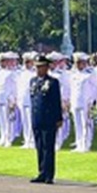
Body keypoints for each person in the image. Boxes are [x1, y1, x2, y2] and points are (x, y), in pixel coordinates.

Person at [28, 55, 63, 184]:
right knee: (39, 146)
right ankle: (41, 172)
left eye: (41, 67)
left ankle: (49, 174)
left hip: (49, 118)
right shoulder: (33, 81)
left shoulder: (53, 82)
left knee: (48, 147)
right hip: (37, 118)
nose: (38, 69)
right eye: (37, 67)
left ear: (47, 67)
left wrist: (58, 118)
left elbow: (56, 101)